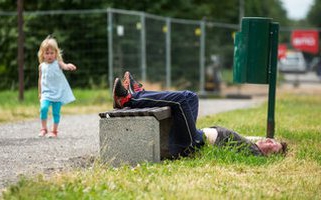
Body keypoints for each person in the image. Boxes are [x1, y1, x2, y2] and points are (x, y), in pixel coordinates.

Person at [113, 71, 287, 157]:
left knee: (180, 100)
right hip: (195, 134)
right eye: (272, 139)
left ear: (270, 155)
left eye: (273, 145)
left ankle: (127, 99)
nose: (270, 140)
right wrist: (264, 139)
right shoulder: (253, 145)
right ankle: (142, 92)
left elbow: (257, 153)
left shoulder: (254, 153)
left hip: (192, 144)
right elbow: (259, 138)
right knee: (191, 96)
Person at [37, 35, 77, 138]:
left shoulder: (58, 63)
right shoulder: (41, 66)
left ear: (55, 53)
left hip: (57, 93)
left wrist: (68, 66)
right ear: (42, 54)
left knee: (56, 112)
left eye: (52, 53)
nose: (49, 55)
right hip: (46, 93)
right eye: (47, 53)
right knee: (43, 108)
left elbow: (64, 66)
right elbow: (40, 80)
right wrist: (40, 93)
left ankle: (54, 131)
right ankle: (43, 128)